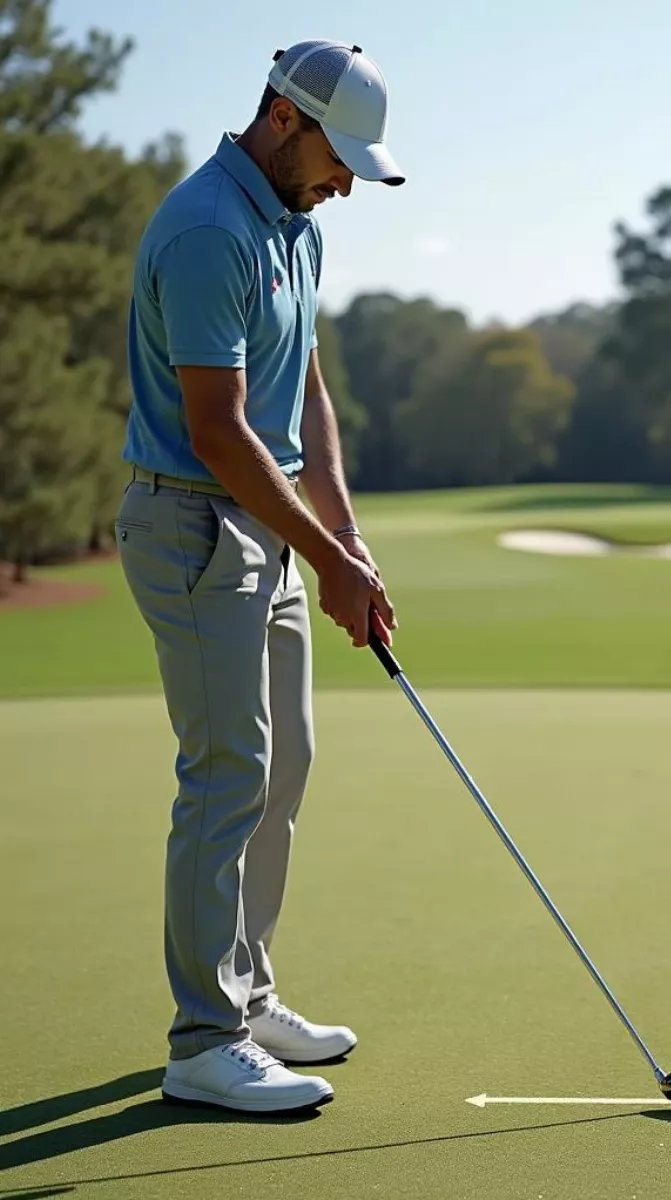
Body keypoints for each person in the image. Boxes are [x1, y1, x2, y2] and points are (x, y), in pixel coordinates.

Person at [115, 40, 403, 1115]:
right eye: (339, 158)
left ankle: (249, 995)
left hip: (269, 524)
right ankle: (203, 1040)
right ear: (285, 119)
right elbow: (220, 433)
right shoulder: (206, 230)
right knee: (229, 771)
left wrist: (345, 536)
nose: (345, 184)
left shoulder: (296, 228)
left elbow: (308, 394)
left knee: (287, 765)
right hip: (194, 524)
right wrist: (324, 558)